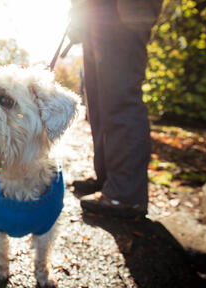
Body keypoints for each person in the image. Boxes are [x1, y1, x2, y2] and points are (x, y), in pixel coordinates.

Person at [68, 0, 163, 218]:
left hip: (124, 9)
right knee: (99, 104)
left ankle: (125, 192)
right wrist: (77, 13)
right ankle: (107, 179)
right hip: (94, 13)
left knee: (119, 97)